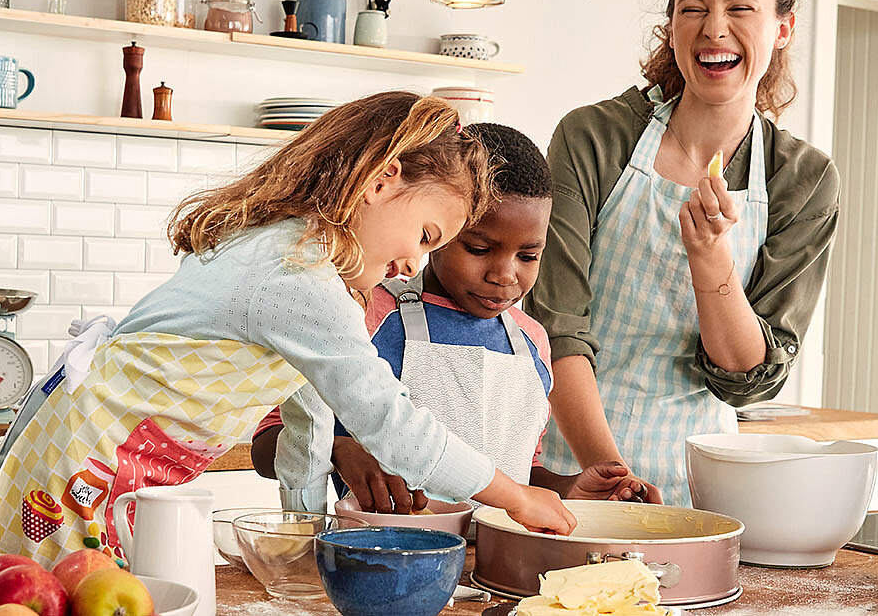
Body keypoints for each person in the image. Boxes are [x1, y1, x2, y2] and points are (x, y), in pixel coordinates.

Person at [0, 93, 575, 584]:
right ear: (383, 182)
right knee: (48, 594)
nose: (414, 262)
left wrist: (301, 534)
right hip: (82, 460)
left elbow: (308, 417)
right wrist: (516, 496)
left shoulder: (313, 269)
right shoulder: (299, 274)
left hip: (102, 452)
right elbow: (391, 425)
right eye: (428, 235)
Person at [527, 0, 841, 506]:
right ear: (671, 28)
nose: (713, 28)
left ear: (782, 29)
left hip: (704, 490)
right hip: (565, 477)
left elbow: (749, 380)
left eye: (740, 8)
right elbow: (556, 329)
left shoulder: (802, 180)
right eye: (691, 9)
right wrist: (612, 481)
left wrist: (710, 259)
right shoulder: (594, 137)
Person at [249, 123, 662, 512]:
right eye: (479, 249)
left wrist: (571, 489)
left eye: (528, 255)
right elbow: (267, 446)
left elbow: (518, 475)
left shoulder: (531, 342)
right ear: (438, 230)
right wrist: (338, 449)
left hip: (495, 564)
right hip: (381, 556)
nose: (504, 275)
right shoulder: (367, 311)